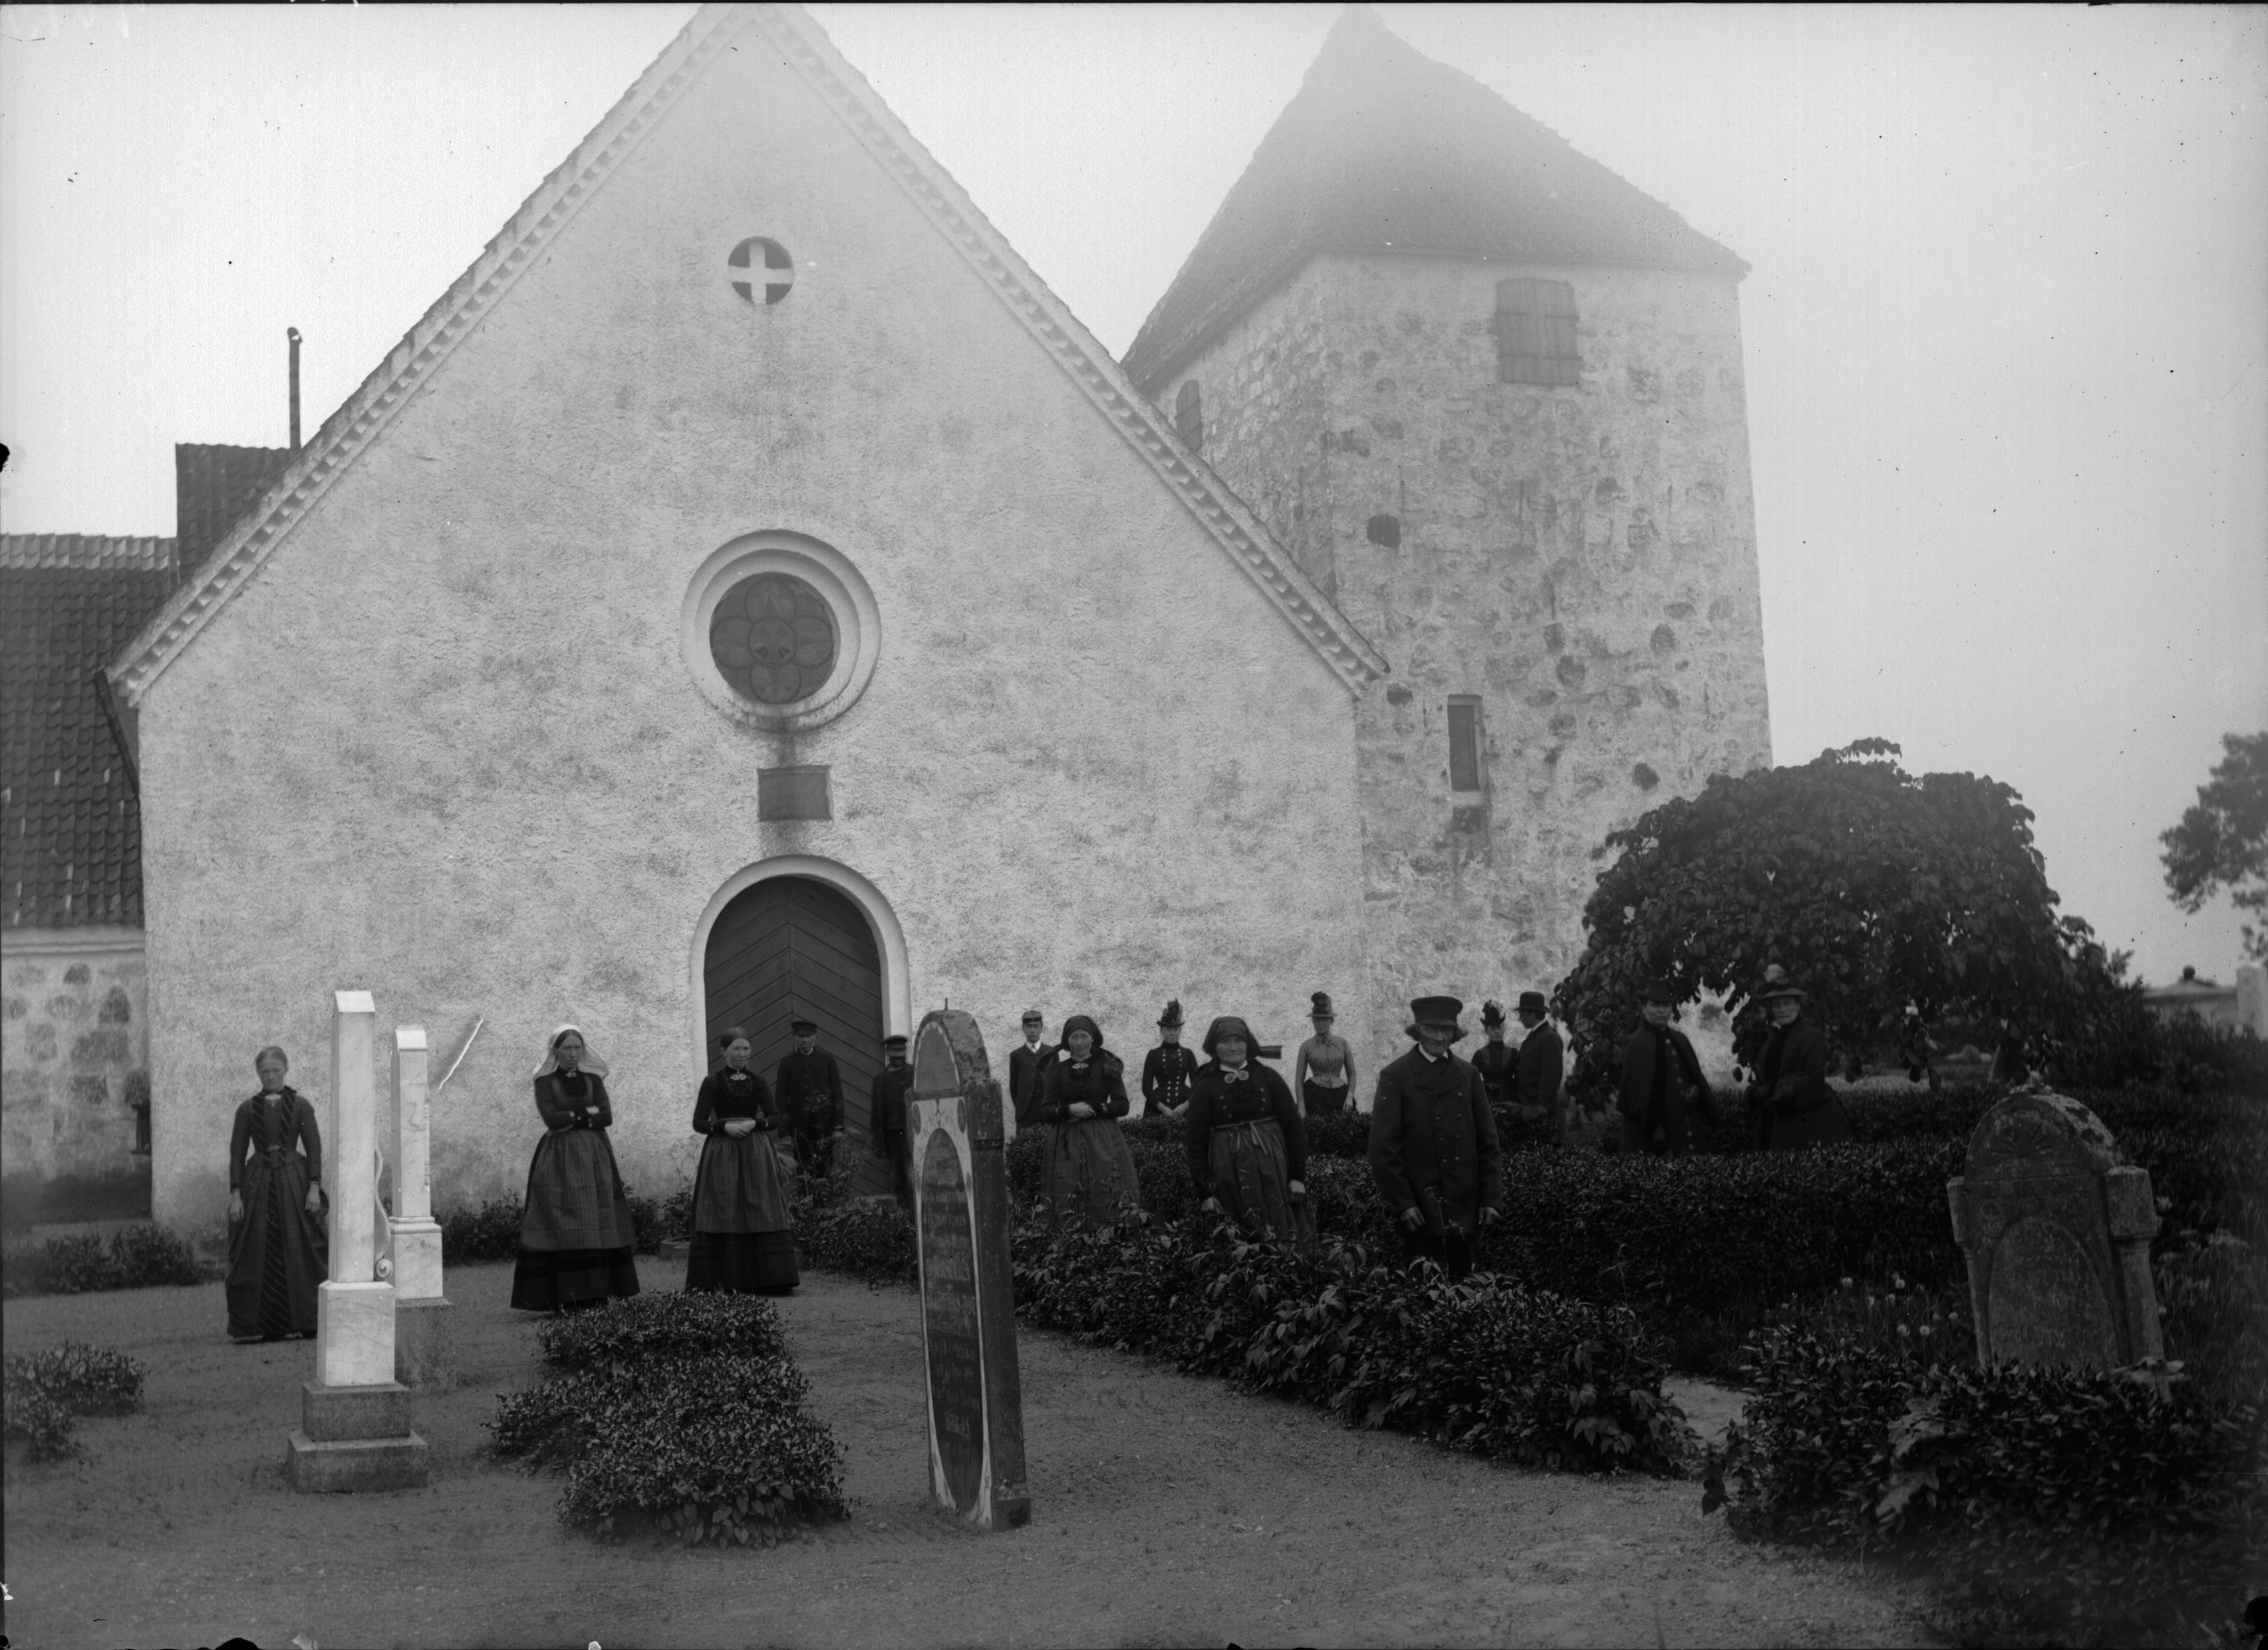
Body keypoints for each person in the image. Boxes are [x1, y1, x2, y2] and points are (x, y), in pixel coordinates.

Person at [1367, 996, 1503, 1278]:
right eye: (1431, 1029)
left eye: (1446, 1031)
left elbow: (1488, 1143)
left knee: (1469, 1287)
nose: (1440, 1038)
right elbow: (1382, 1149)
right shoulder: (1396, 1076)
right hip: (1420, 1209)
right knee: (1423, 1288)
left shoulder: (1469, 1075)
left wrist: (1491, 1197)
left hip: (1466, 1205)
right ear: (1418, 1031)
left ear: (1455, 1034)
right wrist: (1403, 1204)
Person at [511, 1025, 640, 1311]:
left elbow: (607, 1116)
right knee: (564, 1217)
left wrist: (572, 1116)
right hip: (560, 1157)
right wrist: (587, 1113)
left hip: (596, 1157)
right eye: (567, 1048)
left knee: (596, 1214)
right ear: (556, 1051)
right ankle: (567, 1294)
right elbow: (551, 1119)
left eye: (577, 1048)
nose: (573, 1054)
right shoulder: (545, 1083)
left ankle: (599, 1292)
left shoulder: (593, 1080)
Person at [224, 1045, 328, 1342]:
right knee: (259, 1248)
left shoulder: (301, 1106)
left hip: (294, 1184)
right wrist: (236, 1195)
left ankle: (308, 1321)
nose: (270, 1076)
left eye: (275, 1071)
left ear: (286, 1070)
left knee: (301, 1247)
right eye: (264, 1072)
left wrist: (314, 1187)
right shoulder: (246, 1110)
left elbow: (314, 1148)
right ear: (258, 1073)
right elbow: (237, 1154)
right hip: (258, 1186)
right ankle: (268, 1325)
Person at [686, 1026, 800, 1294]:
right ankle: (725, 1279)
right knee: (723, 1205)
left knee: (760, 1204)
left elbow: (775, 1117)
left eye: (745, 1049)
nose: (741, 1054)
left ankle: (768, 1279)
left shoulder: (758, 1081)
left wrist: (755, 1124)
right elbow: (699, 1122)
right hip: (722, 1151)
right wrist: (723, 1127)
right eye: (736, 1049)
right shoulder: (712, 1082)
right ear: (723, 1052)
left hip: (754, 1150)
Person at [1185, 1016, 1313, 1244]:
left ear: (1248, 1043)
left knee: (1284, 1236)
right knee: (1237, 1239)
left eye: (1238, 1040)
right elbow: (1195, 1143)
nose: (1233, 1047)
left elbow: (1294, 1129)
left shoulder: (1268, 1077)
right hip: (1228, 1176)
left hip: (1275, 1172)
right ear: (1214, 1047)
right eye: (1225, 1042)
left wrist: (1297, 1177)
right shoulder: (1205, 1087)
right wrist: (1204, 1193)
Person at [1032, 1013, 1141, 1231]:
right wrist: (1068, 1110)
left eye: (1084, 1036)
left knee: (1105, 1187)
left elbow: (1122, 1105)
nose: (1080, 1042)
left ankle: (1108, 1237)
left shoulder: (1107, 1067)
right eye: (1074, 1037)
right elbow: (1045, 1111)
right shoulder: (1057, 1071)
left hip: (1102, 1140)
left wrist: (1095, 1109)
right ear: (1067, 1041)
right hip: (1065, 1142)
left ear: (1093, 1038)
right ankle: (1070, 1238)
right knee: (1068, 1189)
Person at [1744, 966, 1854, 1150]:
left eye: (1787, 1003)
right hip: (1774, 1119)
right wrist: (1757, 1090)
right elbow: (1767, 1075)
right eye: (1777, 1005)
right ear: (1771, 1009)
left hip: (1808, 1122)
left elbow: (1813, 1080)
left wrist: (1771, 1089)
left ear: (1797, 1005)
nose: (1782, 1009)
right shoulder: (1771, 1041)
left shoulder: (1813, 1038)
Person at [1616, 984, 1717, 1155]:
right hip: (1651, 1135)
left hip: (1683, 1128)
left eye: (1666, 1005)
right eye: (1655, 1005)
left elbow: (1694, 1075)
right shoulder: (1636, 1043)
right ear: (1644, 1009)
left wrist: (1696, 1089)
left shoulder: (1680, 1039)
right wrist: (1654, 1126)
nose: (1661, 1010)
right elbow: (1632, 1096)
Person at [774, 1017, 845, 1181]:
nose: (805, 1040)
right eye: (801, 1036)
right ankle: (805, 1198)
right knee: (802, 1170)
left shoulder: (827, 1061)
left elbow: (837, 1094)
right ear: (795, 1038)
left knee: (825, 1169)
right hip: (799, 1127)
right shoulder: (787, 1063)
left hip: (825, 1125)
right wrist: (784, 1132)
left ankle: (825, 1197)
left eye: (808, 1036)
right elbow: (781, 1099)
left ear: (816, 1037)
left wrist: (838, 1126)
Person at [867, 1031, 917, 1210]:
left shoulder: (915, 1074)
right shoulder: (881, 1079)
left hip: (915, 1135)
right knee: (899, 1182)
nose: (898, 1056)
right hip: (894, 1138)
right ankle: (903, 1218)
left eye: (901, 1051)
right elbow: (877, 1113)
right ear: (888, 1053)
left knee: (916, 1179)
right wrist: (879, 1143)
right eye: (894, 1052)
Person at [1514, 990, 1567, 1145]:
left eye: (1522, 1014)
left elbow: (1552, 1076)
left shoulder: (1548, 1037)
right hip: (1533, 1108)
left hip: (1543, 1112)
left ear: (1531, 1015)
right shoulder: (1538, 1035)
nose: (1520, 1018)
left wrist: (1541, 1108)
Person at [1292, 991, 1355, 1117]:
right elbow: (1299, 1080)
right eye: (1316, 1020)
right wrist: (1301, 1105)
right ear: (1313, 1021)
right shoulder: (1306, 1046)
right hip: (1314, 1095)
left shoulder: (1342, 1043)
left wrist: (1349, 1096)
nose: (1320, 1023)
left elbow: (1352, 1073)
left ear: (1331, 1021)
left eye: (1324, 1019)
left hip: (1340, 1097)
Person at [1141, 1000, 1200, 1119]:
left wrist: (1186, 1106)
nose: (1172, 1033)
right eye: (1168, 1029)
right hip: (1157, 1108)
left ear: (1180, 1031)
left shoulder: (1188, 1054)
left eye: (1176, 1029)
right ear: (1161, 1031)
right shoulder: (1153, 1055)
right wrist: (1162, 1107)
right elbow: (1146, 1087)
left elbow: (1198, 1084)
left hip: (1186, 1107)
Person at [1008, 1010, 1054, 1137]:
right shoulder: (1016, 1056)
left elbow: (1058, 1083)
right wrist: (1021, 1106)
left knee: (1050, 1143)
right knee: (1025, 1143)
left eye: (1036, 1026)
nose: (1032, 1030)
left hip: (1047, 1110)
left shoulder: (1051, 1053)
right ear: (1023, 1028)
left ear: (1041, 1028)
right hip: (1026, 1113)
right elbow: (1014, 1087)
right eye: (1028, 1027)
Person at [1471, 1001, 1517, 1111]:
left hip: (1510, 1101)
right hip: (1487, 1101)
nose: (1497, 1032)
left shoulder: (1513, 1053)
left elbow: (1520, 1078)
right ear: (1486, 1031)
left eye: (1499, 1028)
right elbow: (1472, 1079)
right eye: (1492, 1028)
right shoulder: (1480, 1055)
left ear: (1504, 1029)